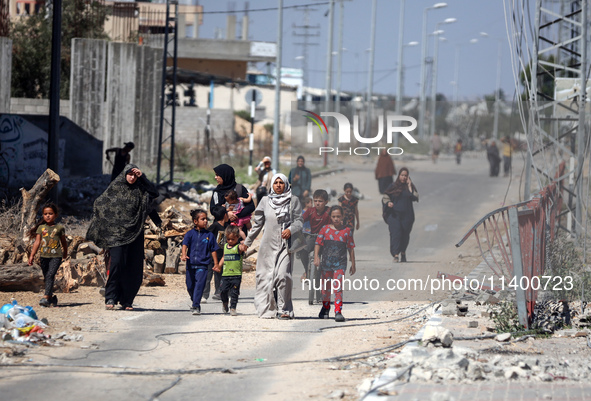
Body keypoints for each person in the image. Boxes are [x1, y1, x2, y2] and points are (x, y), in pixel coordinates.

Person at [86, 164, 162, 310]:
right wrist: (107, 226)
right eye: (130, 174)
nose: (132, 177)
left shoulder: (141, 190)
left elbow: (154, 193)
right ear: (124, 174)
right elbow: (99, 204)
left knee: (133, 267)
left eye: (135, 175)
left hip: (135, 233)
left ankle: (127, 301)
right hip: (116, 235)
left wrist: (143, 177)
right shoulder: (115, 188)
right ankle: (110, 297)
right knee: (117, 264)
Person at [243, 174, 303, 319]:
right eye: (275, 182)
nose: (277, 185)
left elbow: (299, 221)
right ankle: (267, 308)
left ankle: (284, 310)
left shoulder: (293, 200)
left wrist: (291, 229)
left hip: (285, 246)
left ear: (286, 185)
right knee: (265, 277)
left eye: (281, 183)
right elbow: (257, 224)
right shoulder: (265, 201)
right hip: (267, 246)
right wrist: (247, 243)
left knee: (283, 276)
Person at [314, 205, 356, 322]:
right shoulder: (325, 229)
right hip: (326, 263)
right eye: (333, 216)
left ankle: (338, 311)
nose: (336, 219)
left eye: (338, 216)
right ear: (330, 217)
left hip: (340, 264)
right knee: (325, 289)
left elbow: (351, 248)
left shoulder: (347, 231)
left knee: (338, 288)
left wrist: (353, 263)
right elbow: (318, 243)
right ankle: (326, 307)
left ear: (342, 216)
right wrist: (316, 257)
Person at [28, 203, 68, 307]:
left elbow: (63, 242)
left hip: (56, 256)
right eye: (45, 214)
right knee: (47, 277)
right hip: (44, 256)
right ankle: (51, 298)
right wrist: (32, 255)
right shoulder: (41, 228)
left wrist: (65, 252)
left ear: (55, 215)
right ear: (43, 215)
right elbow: (37, 242)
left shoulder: (59, 228)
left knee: (50, 275)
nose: (48, 216)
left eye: (50, 213)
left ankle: (45, 297)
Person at [181, 209, 220, 315]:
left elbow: (213, 250)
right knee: (190, 286)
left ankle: (196, 306)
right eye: (203, 219)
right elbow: (185, 244)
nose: (206, 221)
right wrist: (184, 254)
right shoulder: (190, 234)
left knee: (199, 285)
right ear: (195, 221)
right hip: (190, 264)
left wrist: (216, 264)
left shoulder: (209, 235)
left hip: (203, 265)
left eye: (206, 219)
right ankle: (194, 300)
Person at [382, 167, 418, 263]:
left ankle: (403, 253)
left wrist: (410, 186)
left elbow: (415, 197)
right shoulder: (393, 186)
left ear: (408, 177)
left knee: (405, 235)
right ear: (399, 175)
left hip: (407, 216)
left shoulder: (410, 187)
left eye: (405, 175)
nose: (403, 177)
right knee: (396, 234)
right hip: (394, 215)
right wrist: (388, 202)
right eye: (402, 175)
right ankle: (395, 255)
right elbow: (385, 196)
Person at [210, 164, 255, 236]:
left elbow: (250, 206)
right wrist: (226, 215)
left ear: (225, 175)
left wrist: (236, 214)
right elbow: (213, 209)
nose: (216, 177)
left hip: (238, 229)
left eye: (218, 175)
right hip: (222, 229)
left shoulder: (239, 189)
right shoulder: (216, 192)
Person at [299, 189, 331, 280]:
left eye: (320, 201)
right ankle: (307, 271)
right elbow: (301, 220)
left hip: (326, 239)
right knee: (303, 251)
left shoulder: (329, 211)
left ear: (326, 202)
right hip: (313, 237)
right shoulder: (310, 211)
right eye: (315, 201)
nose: (317, 203)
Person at [214, 225, 245, 316]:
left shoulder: (238, 247)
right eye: (228, 239)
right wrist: (219, 266)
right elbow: (224, 257)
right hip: (226, 274)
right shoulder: (226, 246)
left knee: (234, 293)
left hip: (236, 275)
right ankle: (225, 303)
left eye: (232, 239)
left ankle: (233, 308)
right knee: (223, 291)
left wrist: (244, 244)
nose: (230, 241)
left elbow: (243, 248)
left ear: (237, 237)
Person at [203, 205, 228, 302]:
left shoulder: (226, 227)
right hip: (210, 256)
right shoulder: (214, 226)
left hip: (221, 256)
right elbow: (206, 236)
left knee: (219, 275)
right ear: (225, 215)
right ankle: (204, 295)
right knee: (208, 275)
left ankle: (219, 292)